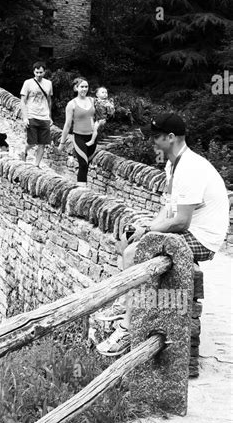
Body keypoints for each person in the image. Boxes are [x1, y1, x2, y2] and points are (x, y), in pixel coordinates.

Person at [96, 113, 230, 356]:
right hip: (191, 230)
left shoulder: (190, 168)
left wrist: (147, 232)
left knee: (134, 253)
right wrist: (145, 229)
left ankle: (128, 327)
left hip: (202, 239)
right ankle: (127, 305)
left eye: (156, 137)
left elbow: (180, 221)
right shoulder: (173, 164)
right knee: (128, 243)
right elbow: (168, 209)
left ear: (171, 137)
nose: (153, 142)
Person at [58, 77, 97, 187]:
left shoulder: (92, 100)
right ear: (76, 88)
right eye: (82, 87)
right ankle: (81, 190)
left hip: (92, 137)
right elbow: (67, 125)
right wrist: (62, 143)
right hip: (79, 137)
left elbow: (98, 116)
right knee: (83, 164)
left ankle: (82, 188)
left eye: (86, 87)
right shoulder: (72, 104)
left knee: (87, 165)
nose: (84, 89)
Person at [20, 62, 53, 167]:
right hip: (32, 115)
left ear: (44, 72)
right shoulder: (28, 83)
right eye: (37, 72)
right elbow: (23, 101)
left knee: (43, 143)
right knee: (32, 142)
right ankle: (24, 151)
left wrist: (50, 116)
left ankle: (37, 165)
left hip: (44, 116)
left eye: (41, 72)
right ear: (34, 72)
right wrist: (25, 117)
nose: (39, 74)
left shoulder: (48, 84)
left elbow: (49, 100)